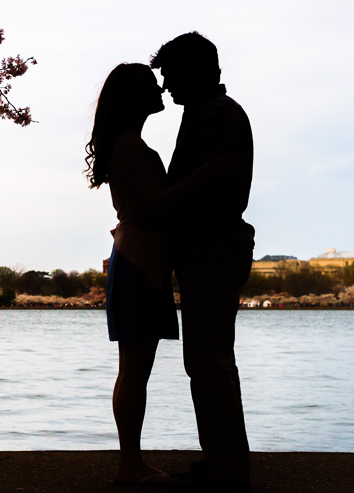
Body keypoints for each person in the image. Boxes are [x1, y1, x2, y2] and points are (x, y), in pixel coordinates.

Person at [85, 63, 236, 487]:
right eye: (152, 84)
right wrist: (210, 170)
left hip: (137, 260)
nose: (162, 88)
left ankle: (129, 461)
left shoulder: (126, 144)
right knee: (135, 370)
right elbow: (159, 203)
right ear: (135, 96)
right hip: (140, 263)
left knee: (133, 369)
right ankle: (129, 464)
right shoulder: (129, 145)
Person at [151, 32, 254, 492]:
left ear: (198, 72)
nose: (167, 86)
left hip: (211, 249)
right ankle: (221, 459)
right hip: (210, 249)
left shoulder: (214, 116)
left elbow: (216, 194)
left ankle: (226, 469)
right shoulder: (209, 113)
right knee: (209, 359)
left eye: (172, 75)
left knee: (209, 360)